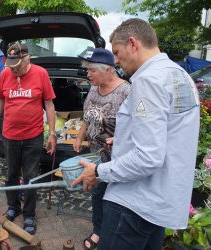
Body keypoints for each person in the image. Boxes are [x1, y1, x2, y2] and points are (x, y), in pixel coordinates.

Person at [72, 18, 200, 250]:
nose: (117, 61)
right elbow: (167, 131)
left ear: (133, 43)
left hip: (133, 203)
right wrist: (122, 139)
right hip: (160, 200)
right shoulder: (180, 76)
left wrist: (99, 171)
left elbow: (148, 157)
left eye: (117, 53)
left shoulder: (148, 80)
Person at [0, 43, 57, 235]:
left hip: (33, 136)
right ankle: (13, 206)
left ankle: (29, 214)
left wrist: (52, 133)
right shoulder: (6, 74)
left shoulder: (41, 74)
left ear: (27, 58)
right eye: (11, 65)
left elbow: (49, 104)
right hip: (9, 135)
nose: (14, 69)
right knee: (11, 174)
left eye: (17, 65)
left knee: (31, 177)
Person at [73, 48, 130, 250]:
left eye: (91, 70)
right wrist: (80, 138)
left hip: (118, 158)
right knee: (97, 195)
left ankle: (112, 233)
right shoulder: (93, 89)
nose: (88, 74)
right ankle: (98, 231)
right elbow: (87, 117)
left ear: (108, 70)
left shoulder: (126, 91)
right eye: (87, 70)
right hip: (96, 155)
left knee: (114, 199)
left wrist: (120, 138)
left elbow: (137, 128)